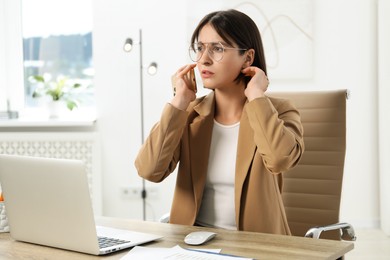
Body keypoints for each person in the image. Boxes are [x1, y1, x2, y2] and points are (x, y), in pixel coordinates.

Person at [135, 9, 304, 235]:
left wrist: (256, 97)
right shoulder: (190, 114)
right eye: (200, 48)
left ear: (248, 57)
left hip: (257, 246)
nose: (204, 59)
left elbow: (279, 159)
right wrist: (179, 102)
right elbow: (149, 170)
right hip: (191, 244)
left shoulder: (279, 111)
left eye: (217, 48)